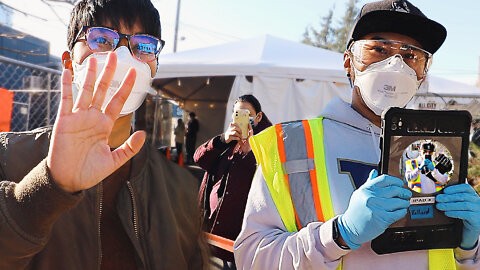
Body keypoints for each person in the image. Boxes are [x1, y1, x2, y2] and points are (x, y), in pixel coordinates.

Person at [234, 1, 480, 269]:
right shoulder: (291, 144)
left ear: (423, 73)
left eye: (411, 56)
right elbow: (252, 259)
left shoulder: (437, 150)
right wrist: (339, 234)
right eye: (378, 50)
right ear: (349, 62)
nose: (396, 65)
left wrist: (470, 248)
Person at [0, 0, 208, 269]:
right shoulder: (7, 157)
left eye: (142, 46)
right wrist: (49, 187)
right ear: (69, 63)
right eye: (101, 39)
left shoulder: (181, 191)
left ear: (154, 68)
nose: (120, 58)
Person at [195, 95, 272, 270]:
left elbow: (268, 180)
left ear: (258, 117)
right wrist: (223, 139)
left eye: (247, 114)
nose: (242, 118)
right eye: (238, 113)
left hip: (241, 240)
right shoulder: (228, 140)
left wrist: (249, 154)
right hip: (212, 234)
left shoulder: (267, 143)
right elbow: (199, 159)